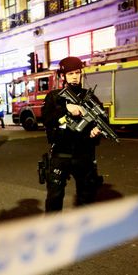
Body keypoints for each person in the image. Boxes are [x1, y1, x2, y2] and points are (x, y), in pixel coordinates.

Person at [41, 56, 104, 212]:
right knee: (54, 199)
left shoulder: (89, 97)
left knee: (86, 198)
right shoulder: (54, 97)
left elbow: (102, 119)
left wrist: (98, 130)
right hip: (61, 155)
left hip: (84, 155)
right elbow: (47, 120)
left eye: (77, 72)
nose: (75, 76)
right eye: (70, 74)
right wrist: (66, 109)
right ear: (63, 76)